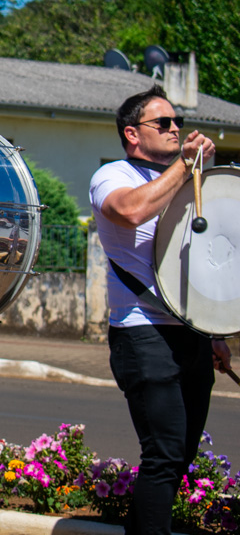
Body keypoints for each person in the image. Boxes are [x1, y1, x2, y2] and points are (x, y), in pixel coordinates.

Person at [89, 84, 232, 535]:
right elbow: (130, 212)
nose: (176, 130)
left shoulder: (184, 179)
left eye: (178, 123)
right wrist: (186, 167)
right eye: (163, 123)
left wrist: (214, 334)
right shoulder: (113, 175)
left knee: (180, 456)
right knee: (164, 454)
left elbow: (202, 263)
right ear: (132, 134)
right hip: (142, 332)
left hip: (188, 333)